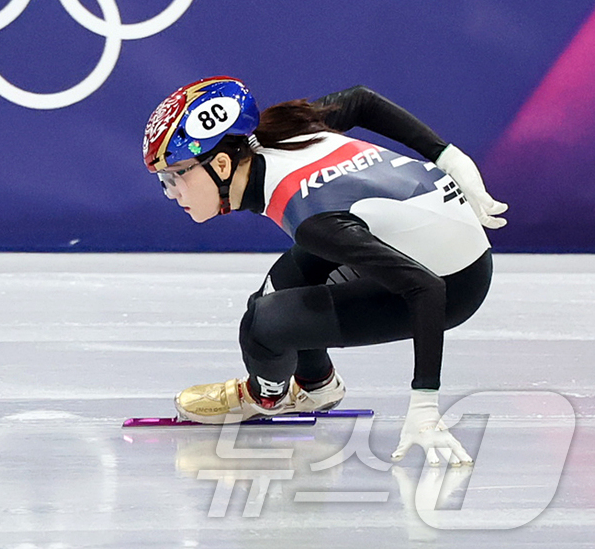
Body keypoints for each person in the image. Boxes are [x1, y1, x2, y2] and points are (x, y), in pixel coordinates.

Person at [143, 77, 506, 466]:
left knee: (263, 325)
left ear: (221, 164)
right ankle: (317, 386)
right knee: (274, 294)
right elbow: (360, 101)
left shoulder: (311, 218)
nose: (172, 192)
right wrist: (447, 155)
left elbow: (426, 289)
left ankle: (265, 398)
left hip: (454, 284)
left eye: (175, 176)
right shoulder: (286, 133)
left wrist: (424, 407)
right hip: (419, 240)